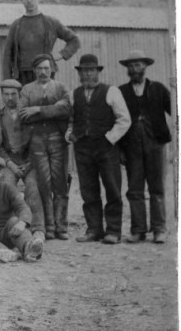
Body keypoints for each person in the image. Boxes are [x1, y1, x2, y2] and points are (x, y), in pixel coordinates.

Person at [67, 54, 131, 244]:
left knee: (112, 188)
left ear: (97, 72)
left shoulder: (111, 92)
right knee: (88, 190)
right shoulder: (73, 94)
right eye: (84, 71)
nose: (88, 74)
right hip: (82, 148)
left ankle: (113, 231)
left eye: (91, 70)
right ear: (79, 73)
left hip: (106, 148)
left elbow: (124, 119)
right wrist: (70, 134)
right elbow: (69, 120)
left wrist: (110, 138)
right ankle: (94, 230)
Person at [118, 50, 172, 244]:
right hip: (131, 145)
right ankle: (138, 230)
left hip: (155, 143)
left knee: (157, 188)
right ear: (127, 69)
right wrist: (120, 149)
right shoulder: (121, 92)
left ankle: (159, 229)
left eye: (138, 65)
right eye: (131, 66)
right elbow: (115, 121)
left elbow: (174, 109)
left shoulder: (158, 89)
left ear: (145, 66)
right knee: (134, 189)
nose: (134, 69)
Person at [18, 54, 71, 240]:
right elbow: (23, 115)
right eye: (39, 68)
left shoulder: (60, 87)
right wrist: (54, 109)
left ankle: (61, 226)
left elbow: (67, 109)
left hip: (58, 139)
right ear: (34, 70)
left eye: (46, 68)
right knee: (44, 184)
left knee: (60, 183)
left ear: (52, 69)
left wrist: (38, 110)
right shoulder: (27, 89)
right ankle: (49, 226)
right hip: (37, 140)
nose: (43, 72)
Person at [1, 0, 80, 84]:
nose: (29, 1)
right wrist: (7, 81)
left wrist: (62, 54)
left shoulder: (51, 22)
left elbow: (74, 40)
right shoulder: (16, 25)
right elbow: (7, 55)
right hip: (23, 75)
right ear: (21, 1)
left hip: (45, 73)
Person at [0, 79, 45, 242]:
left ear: (19, 95)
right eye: (6, 94)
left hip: (29, 160)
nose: (10, 98)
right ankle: (10, 225)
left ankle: (38, 229)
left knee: (32, 186)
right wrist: (9, 163)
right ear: (2, 95)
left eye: (13, 94)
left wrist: (29, 163)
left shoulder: (28, 115)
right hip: (9, 160)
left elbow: (37, 141)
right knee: (7, 185)